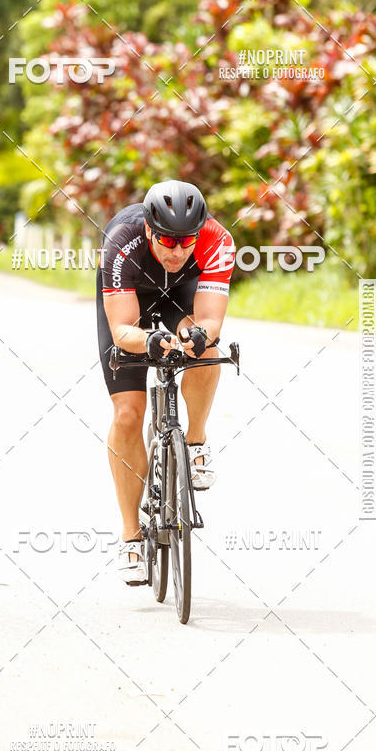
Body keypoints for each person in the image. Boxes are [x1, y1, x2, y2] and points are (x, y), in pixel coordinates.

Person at [96, 180, 236, 584]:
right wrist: (149, 340)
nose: (177, 251)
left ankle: (196, 442)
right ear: (148, 230)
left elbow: (210, 319)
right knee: (127, 414)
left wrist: (198, 336)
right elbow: (122, 329)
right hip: (131, 303)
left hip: (181, 297)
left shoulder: (217, 240)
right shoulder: (121, 241)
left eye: (186, 242)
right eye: (167, 241)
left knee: (206, 348)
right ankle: (130, 537)